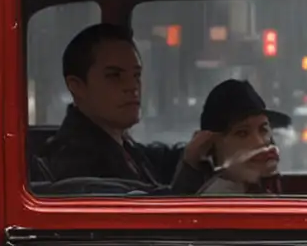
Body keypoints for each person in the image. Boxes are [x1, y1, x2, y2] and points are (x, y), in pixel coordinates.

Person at [39, 23, 211, 189]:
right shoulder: (76, 160)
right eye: (114, 76)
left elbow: (161, 160)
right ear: (77, 86)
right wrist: (189, 169)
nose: (132, 86)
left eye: (136, 75)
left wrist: (209, 146)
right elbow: (142, 212)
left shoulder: (120, 144)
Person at [190, 79, 287, 196]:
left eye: (263, 130)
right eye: (242, 133)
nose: (260, 142)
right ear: (212, 145)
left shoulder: (263, 191)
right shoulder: (217, 200)